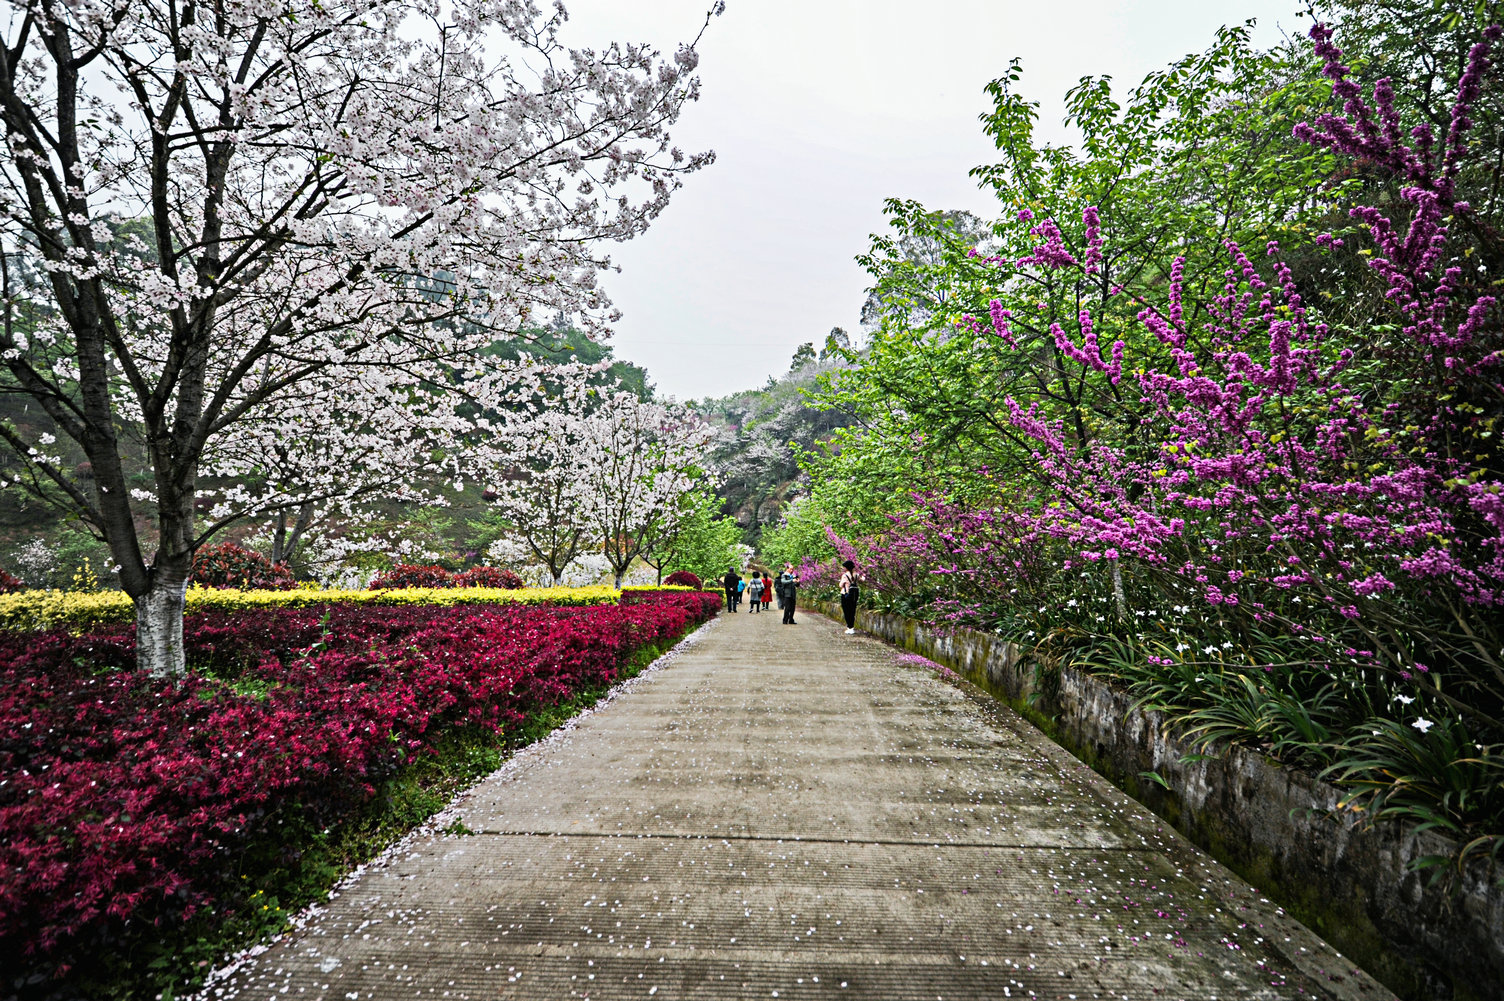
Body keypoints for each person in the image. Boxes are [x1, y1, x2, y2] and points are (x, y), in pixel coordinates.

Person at [838, 559, 860, 634]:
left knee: (846, 611)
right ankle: (852, 627)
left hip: (846, 595)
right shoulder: (856, 574)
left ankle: (849, 627)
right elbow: (862, 579)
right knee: (852, 610)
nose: (843, 568)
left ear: (847, 567)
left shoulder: (845, 575)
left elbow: (840, 585)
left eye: (844, 567)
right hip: (854, 595)